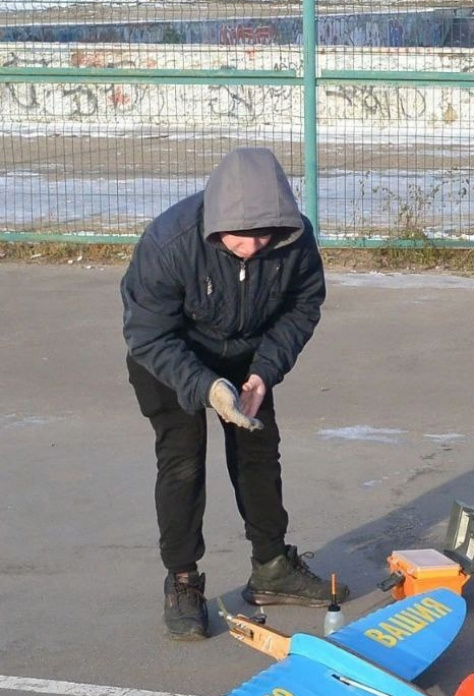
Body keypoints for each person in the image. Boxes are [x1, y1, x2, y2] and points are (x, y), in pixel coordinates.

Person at [121, 147, 348, 641]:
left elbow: (303, 305)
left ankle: (272, 568)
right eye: (239, 236)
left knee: (259, 453)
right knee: (182, 460)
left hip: (247, 356)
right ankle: (183, 580)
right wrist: (206, 386)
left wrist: (265, 372)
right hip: (171, 357)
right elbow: (147, 335)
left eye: (263, 234)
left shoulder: (294, 240)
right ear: (216, 220)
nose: (252, 247)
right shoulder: (169, 242)